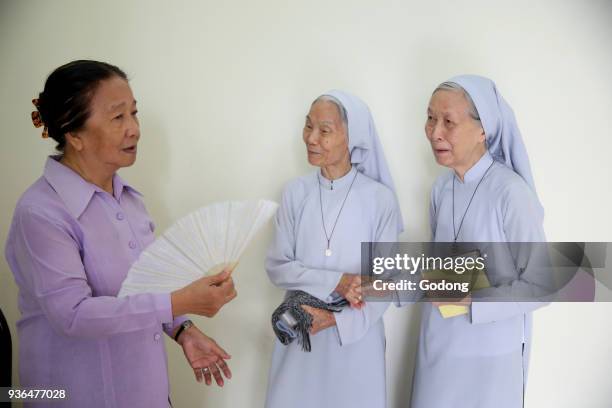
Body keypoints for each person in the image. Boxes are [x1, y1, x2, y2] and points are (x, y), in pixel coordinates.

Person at [5, 60, 237, 408]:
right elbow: (73, 315)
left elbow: (145, 286)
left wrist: (182, 328)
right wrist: (180, 301)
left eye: (134, 113)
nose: (135, 129)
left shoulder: (128, 200)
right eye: (118, 117)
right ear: (73, 134)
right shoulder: (40, 213)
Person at [410, 75, 548, 408]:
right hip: (438, 347)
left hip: (490, 358)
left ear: (483, 129)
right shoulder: (440, 190)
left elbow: (544, 284)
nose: (435, 132)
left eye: (448, 122)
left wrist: (472, 298)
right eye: (430, 118)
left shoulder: (511, 193)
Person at [264, 90, 403, 408]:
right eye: (308, 126)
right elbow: (277, 266)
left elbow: (386, 284)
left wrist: (335, 319)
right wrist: (338, 281)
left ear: (352, 137)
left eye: (324, 130)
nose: (311, 138)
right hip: (300, 331)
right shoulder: (295, 193)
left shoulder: (379, 200)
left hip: (356, 340)